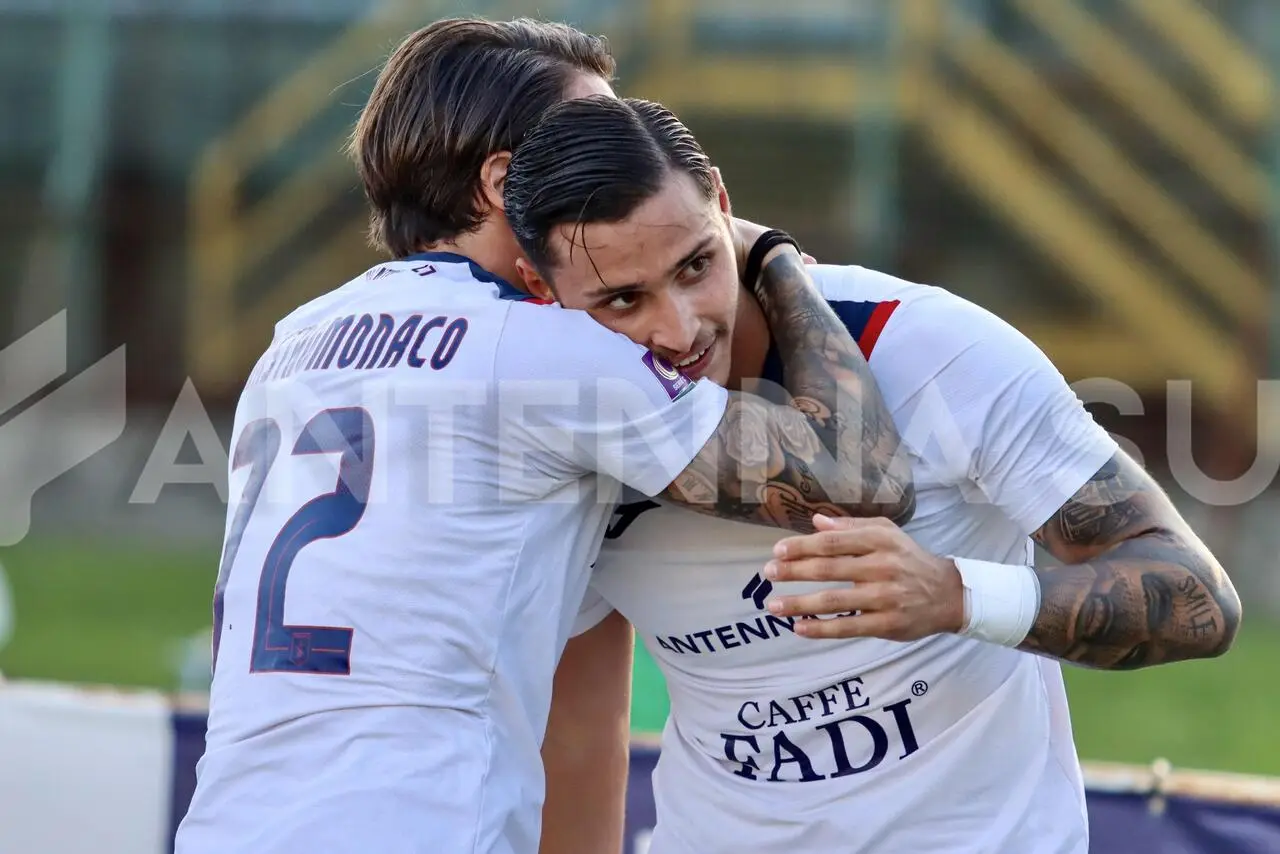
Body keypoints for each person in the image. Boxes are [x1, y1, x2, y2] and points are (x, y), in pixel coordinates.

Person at [174, 19, 913, 854]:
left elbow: (576, 672)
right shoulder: (551, 350)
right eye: (589, 134)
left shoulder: (294, 340)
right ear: (500, 182)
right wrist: (767, 255)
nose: (619, 157)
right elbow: (857, 475)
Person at [500, 96, 1244, 854]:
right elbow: (578, 726)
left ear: (723, 205)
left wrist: (957, 595)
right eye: (624, 300)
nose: (682, 327)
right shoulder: (554, 426)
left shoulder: (929, 348)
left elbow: (1196, 597)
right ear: (538, 288)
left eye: (697, 265)